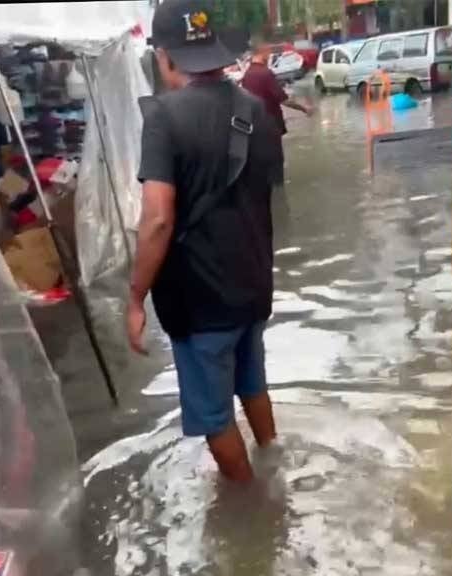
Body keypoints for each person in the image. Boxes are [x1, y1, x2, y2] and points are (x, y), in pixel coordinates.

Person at [126, 0, 280, 482]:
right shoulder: (256, 109)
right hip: (253, 285)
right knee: (252, 384)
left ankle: (254, 511)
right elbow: (265, 194)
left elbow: (156, 220)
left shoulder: (164, 118)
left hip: (201, 301)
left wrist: (134, 298)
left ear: (164, 56)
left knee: (215, 419)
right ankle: (274, 462)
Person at [240, 40, 313, 186]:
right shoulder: (265, 73)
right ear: (261, 53)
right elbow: (283, 100)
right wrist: (304, 108)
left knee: (261, 168)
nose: (269, 55)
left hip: (254, 128)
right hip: (270, 127)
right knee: (276, 167)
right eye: (267, 51)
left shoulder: (247, 75)